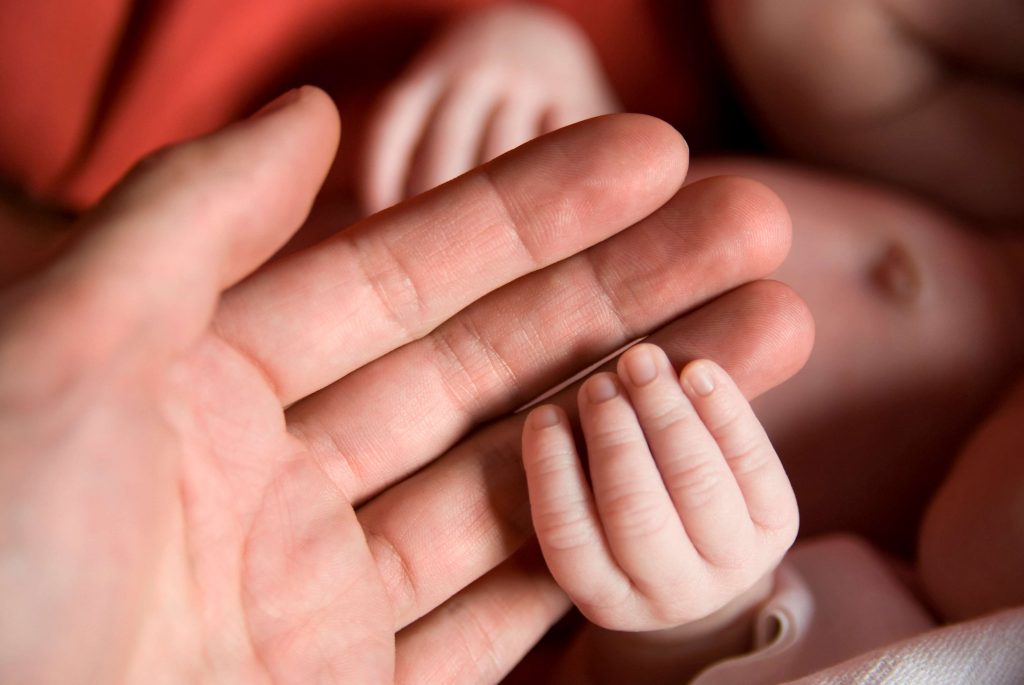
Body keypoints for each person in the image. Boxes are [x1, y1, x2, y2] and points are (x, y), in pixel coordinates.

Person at [0, 87, 811, 682]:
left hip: (418, 467)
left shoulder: (899, 608)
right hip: (463, 307)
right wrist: (538, 61)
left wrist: (698, 630)